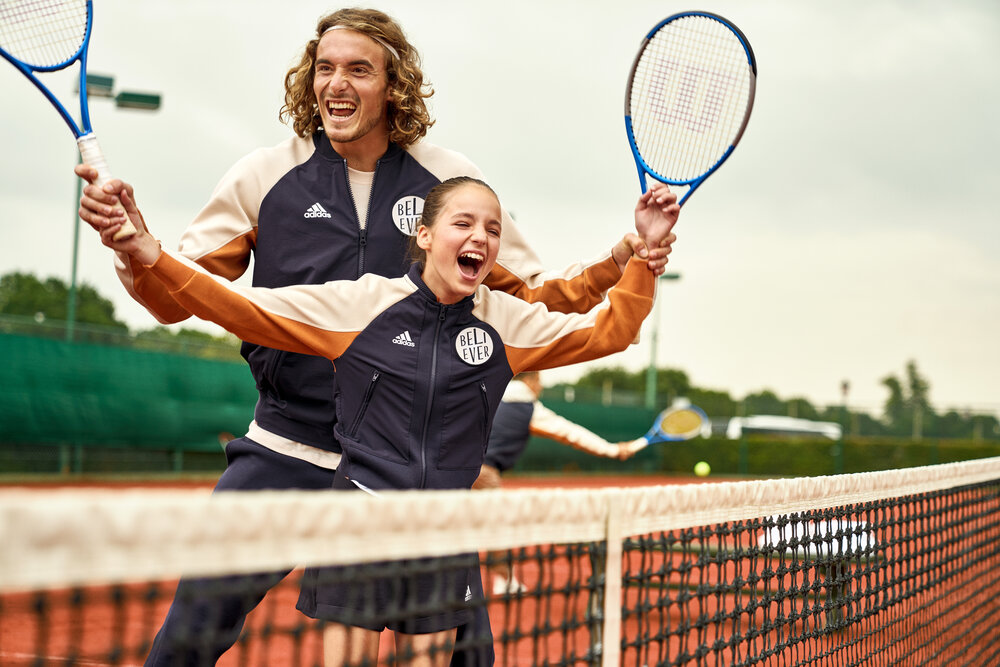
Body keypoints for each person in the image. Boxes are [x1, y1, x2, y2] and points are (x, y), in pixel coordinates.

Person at [76, 9, 675, 665]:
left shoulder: (450, 182)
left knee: (472, 652)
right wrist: (135, 250)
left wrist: (626, 257)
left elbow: (533, 294)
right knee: (190, 628)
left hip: (401, 470)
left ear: (394, 84)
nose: (336, 83)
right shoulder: (260, 177)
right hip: (287, 448)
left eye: (358, 69)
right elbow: (178, 297)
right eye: (325, 68)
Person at [472, 371, 649, 595]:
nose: (541, 387)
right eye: (539, 382)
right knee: (497, 526)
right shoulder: (529, 409)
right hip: (484, 472)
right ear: (531, 380)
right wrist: (613, 450)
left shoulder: (486, 394)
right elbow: (571, 433)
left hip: (449, 465)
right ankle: (504, 580)